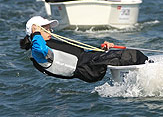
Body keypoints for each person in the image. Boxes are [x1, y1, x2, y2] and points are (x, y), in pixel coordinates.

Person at [20, 16, 148, 82]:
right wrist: (35, 33)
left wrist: (101, 49)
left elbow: (80, 54)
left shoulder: (48, 42)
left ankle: (147, 68)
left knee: (129, 54)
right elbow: (41, 49)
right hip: (86, 68)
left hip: (88, 61)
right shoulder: (37, 52)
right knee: (131, 55)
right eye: (45, 29)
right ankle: (153, 70)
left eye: (49, 28)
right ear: (35, 31)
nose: (50, 31)